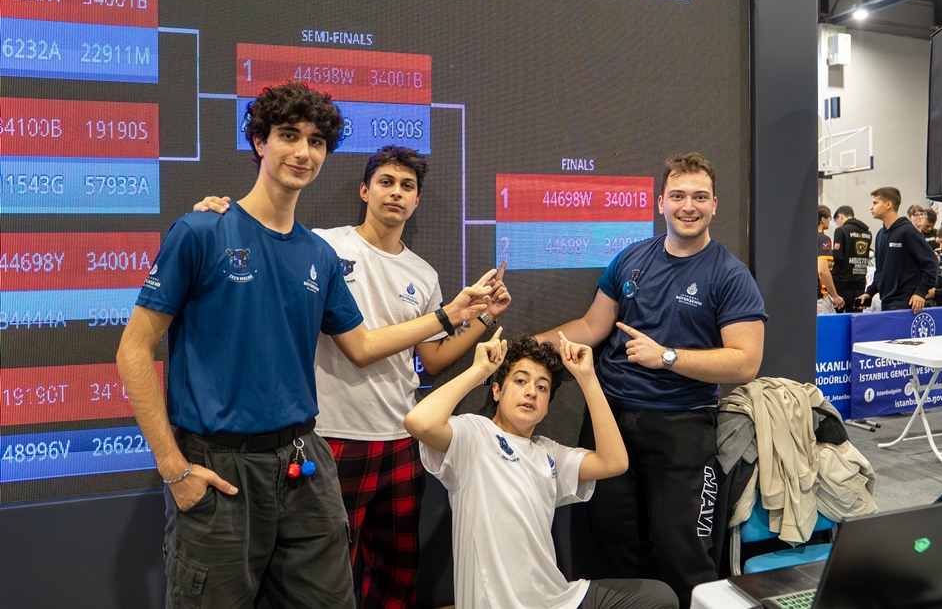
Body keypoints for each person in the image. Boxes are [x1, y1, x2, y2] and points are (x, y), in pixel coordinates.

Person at [116, 82, 493, 609]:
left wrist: (453, 315)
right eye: (289, 136)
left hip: (304, 461)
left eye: (316, 141)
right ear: (259, 141)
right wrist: (172, 467)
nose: (303, 152)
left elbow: (363, 344)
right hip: (219, 466)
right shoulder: (201, 231)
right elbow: (134, 349)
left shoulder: (318, 255)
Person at [193, 146, 511, 608]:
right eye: (386, 182)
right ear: (365, 190)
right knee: (323, 573)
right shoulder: (323, 246)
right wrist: (218, 219)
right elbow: (262, 242)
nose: (396, 193)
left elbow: (432, 359)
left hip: (401, 439)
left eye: (407, 186)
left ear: (417, 200)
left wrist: (483, 318)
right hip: (331, 436)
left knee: (397, 573)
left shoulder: (423, 274)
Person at [536, 152, 767, 605]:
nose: (688, 206)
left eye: (699, 197)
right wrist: (525, 346)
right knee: (610, 541)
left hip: (682, 424)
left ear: (714, 204)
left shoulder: (730, 275)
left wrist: (667, 358)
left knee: (684, 551)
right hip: (610, 419)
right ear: (661, 202)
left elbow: (745, 363)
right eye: (677, 196)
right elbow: (591, 327)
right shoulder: (631, 258)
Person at [404, 330, 679, 609]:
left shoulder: (548, 452)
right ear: (497, 390)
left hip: (558, 599)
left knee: (661, 596)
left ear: (547, 406)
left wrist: (588, 378)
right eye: (520, 381)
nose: (531, 392)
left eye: (542, 387)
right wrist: (479, 371)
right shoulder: (474, 433)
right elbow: (419, 422)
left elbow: (615, 462)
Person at [856, 186, 937, 313]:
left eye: (875, 203)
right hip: (886, 301)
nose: (871, 207)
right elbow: (880, 271)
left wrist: (921, 292)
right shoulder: (880, 235)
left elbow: (931, 262)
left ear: (888, 205)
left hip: (906, 302)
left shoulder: (908, 231)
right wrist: (870, 292)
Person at [831, 205, 872, 313]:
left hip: (841, 283)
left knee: (838, 318)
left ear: (840, 216)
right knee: (856, 318)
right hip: (859, 283)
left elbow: (837, 256)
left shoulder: (840, 231)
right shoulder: (867, 233)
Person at [817, 204, 843, 314]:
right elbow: (822, 271)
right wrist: (835, 296)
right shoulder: (823, 239)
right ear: (823, 219)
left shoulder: (803, 239)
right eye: (829, 218)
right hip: (819, 298)